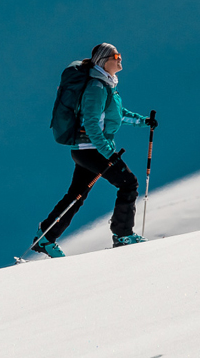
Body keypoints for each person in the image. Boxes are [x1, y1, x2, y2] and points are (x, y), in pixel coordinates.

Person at [32, 43, 157, 258]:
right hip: (91, 149)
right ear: (103, 60)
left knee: (76, 195)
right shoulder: (97, 87)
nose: (120, 59)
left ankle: (45, 238)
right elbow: (91, 123)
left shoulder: (106, 86)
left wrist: (143, 121)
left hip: (86, 150)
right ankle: (123, 234)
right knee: (128, 183)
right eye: (115, 56)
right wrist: (108, 152)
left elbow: (115, 115)